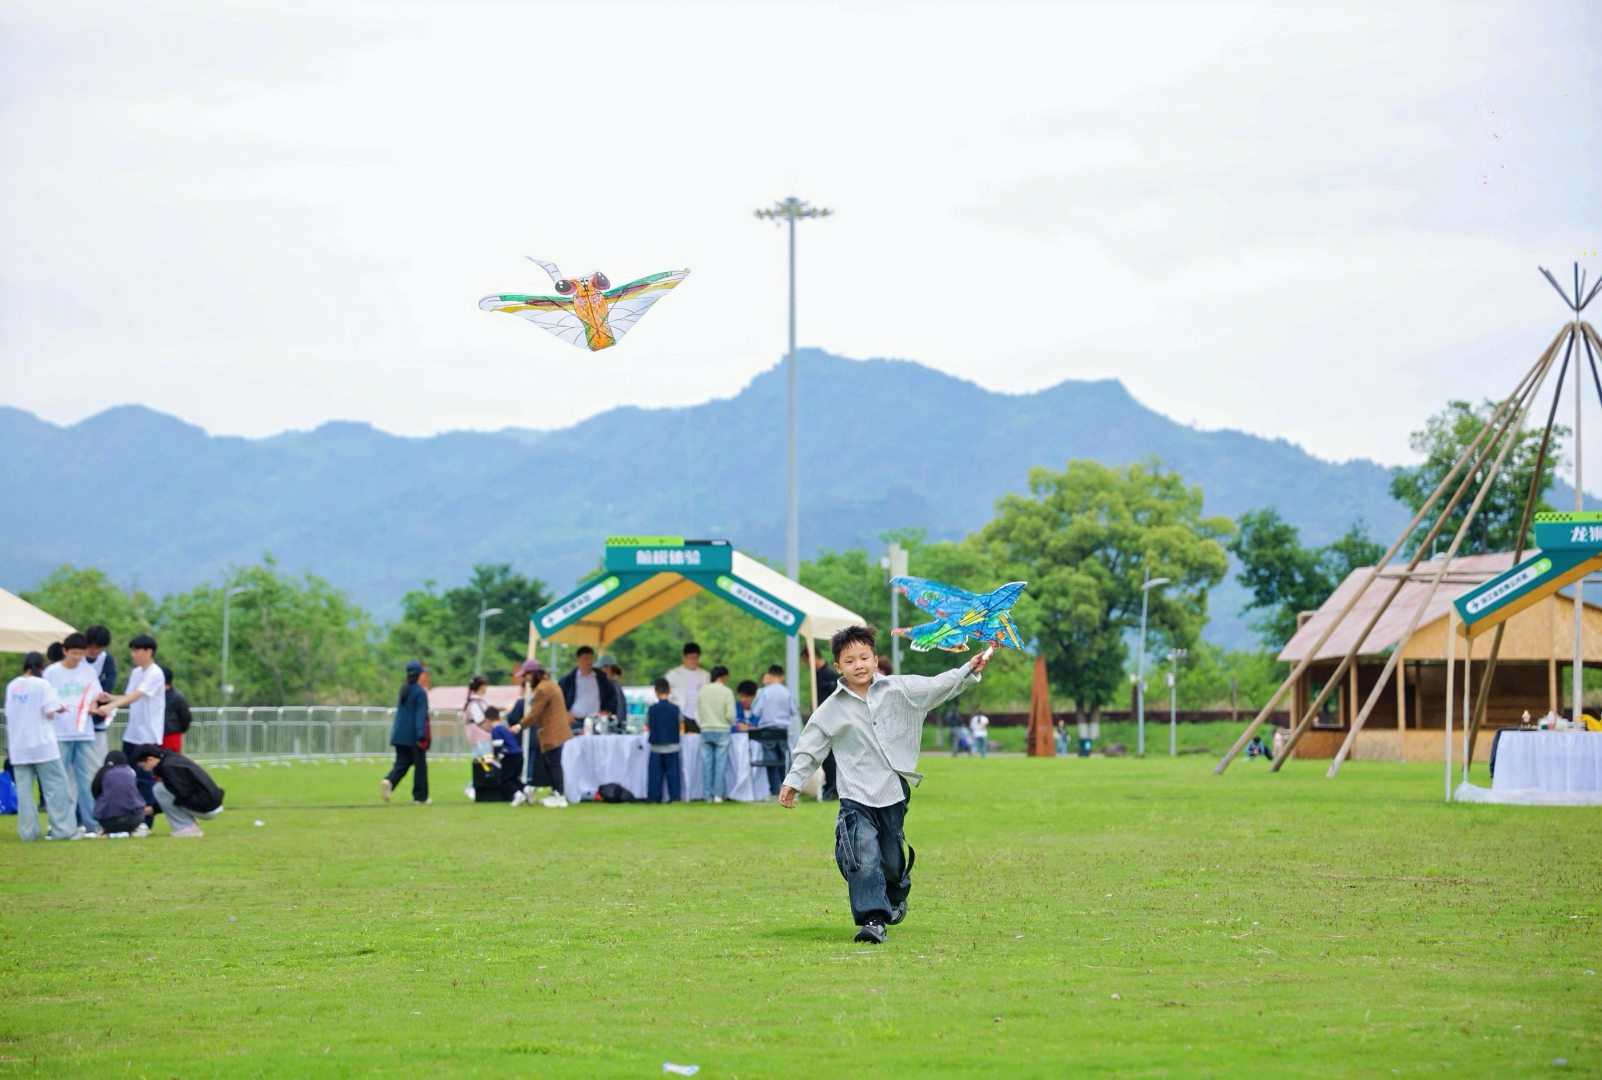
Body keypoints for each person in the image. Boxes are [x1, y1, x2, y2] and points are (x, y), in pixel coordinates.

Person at [778, 625, 989, 944]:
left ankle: (896, 892)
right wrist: (793, 782)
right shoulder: (832, 709)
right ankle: (872, 919)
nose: (858, 665)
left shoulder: (899, 689)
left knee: (891, 858)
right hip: (854, 797)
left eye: (864, 657)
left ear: (876, 660)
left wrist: (967, 669)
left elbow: (936, 687)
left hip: (892, 792)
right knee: (862, 854)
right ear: (838, 667)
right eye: (850, 661)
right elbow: (811, 746)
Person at [5, 652, 76, 841]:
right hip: (42, 745)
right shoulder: (42, 684)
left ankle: (28, 833)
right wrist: (60, 708)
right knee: (56, 788)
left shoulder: (13, 685)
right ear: (41, 666)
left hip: (19, 748)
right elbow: (50, 711)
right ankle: (63, 830)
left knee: (25, 793)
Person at [97, 633, 166, 825]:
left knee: (145, 780)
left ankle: (146, 822)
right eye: (133, 651)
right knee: (129, 777)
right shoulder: (137, 673)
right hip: (132, 734)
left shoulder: (155, 673)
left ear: (148, 651)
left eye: (137, 651)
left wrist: (111, 707)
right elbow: (127, 696)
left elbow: (137, 696)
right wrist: (110, 698)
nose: (134, 655)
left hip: (147, 735)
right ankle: (131, 817)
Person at [43, 632, 103, 834]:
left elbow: (95, 695)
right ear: (65, 651)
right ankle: (60, 825)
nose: (78, 657)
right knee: (60, 781)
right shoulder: (52, 672)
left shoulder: (88, 671)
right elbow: (45, 701)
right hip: (59, 734)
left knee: (88, 781)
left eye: (81, 653)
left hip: (84, 734)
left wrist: (96, 707)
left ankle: (92, 824)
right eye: (74, 653)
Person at [516, 658, 573, 808]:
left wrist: (520, 725)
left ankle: (559, 795)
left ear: (533, 673)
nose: (525, 679)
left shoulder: (543, 689)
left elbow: (535, 712)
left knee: (553, 763)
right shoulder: (549, 685)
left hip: (552, 731)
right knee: (551, 763)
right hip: (555, 730)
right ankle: (556, 792)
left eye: (526, 675)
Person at [133, 747, 225, 837]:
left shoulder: (168, 767)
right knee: (162, 788)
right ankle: (188, 826)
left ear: (150, 759)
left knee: (159, 789)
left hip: (207, 806)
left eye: (143, 766)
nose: (144, 769)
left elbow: (183, 795)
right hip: (212, 802)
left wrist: (155, 809)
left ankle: (186, 828)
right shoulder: (172, 759)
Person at [381, 660, 432, 804]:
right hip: (413, 735)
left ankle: (389, 781)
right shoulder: (419, 692)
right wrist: (421, 734)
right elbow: (420, 715)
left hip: (399, 735)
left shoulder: (404, 689)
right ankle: (420, 796)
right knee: (420, 766)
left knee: (402, 762)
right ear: (419, 675)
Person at [750, 664, 800, 797]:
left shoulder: (763, 692)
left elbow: (755, 710)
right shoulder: (787, 692)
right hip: (782, 731)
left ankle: (774, 791)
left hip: (767, 731)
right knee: (784, 761)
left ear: (770, 676)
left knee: (770, 762)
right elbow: (794, 710)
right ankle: (787, 790)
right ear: (782, 677)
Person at [696, 665, 735, 803]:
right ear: (724, 676)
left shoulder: (703, 690)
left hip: (706, 729)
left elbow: (698, 711)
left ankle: (707, 795)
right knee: (720, 764)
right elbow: (730, 715)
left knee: (707, 764)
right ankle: (718, 795)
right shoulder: (727, 691)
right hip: (722, 729)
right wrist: (731, 722)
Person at [559, 646, 620, 734]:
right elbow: (558, 699)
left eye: (591, 658)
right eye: (585, 658)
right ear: (578, 659)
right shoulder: (567, 680)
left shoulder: (601, 678)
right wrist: (565, 713)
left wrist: (607, 711)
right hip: (575, 721)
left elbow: (612, 696)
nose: (589, 661)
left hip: (596, 721)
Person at [91, 750, 149, 837]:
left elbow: (95, 792)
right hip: (133, 820)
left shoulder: (102, 772)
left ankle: (106, 831)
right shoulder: (130, 771)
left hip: (107, 822)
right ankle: (134, 830)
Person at [646, 678, 683, 803]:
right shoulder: (675, 708)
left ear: (656, 691)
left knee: (655, 776)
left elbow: (647, 723)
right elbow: (680, 722)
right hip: (672, 745)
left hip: (656, 746)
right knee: (673, 775)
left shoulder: (651, 709)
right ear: (669, 690)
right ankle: (675, 797)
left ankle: (654, 798)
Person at [83, 625, 117, 760]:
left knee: (99, 754)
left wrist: (97, 699)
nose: (94, 651)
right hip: (77, 710)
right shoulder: (77, 657)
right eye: (91, 646)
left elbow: (109, 681)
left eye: (98, 647)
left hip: (96, 710)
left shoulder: (106, 659)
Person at [812, 651, 841, 800]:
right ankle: (830, 785)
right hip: (821, 720)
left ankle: (834, 787)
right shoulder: (816, 674)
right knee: (825, 755)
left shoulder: (829, 674)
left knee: (830, 755)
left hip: (831, 719)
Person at [663, 642, 708, 731]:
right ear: (684, 657)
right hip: (680, 715)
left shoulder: (705, 675)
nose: (694, 661)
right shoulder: (674, 674)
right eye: (691, 658)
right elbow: (662, 690)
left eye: (696, 658)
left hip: (699, 717)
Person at [162, 664, 192, 752]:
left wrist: (177, 730)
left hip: (171, 735)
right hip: (157, 736)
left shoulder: (177, 697)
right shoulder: (156, 696)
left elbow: (186, 717)